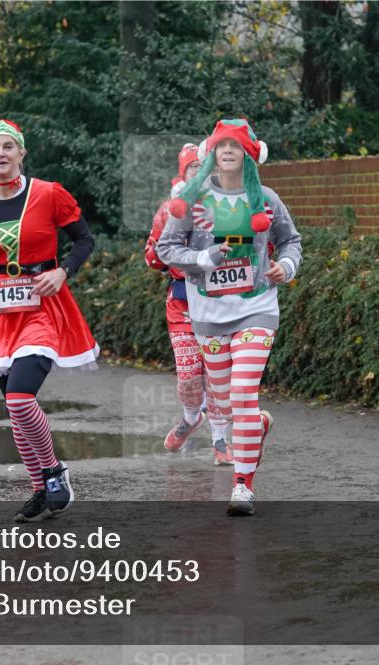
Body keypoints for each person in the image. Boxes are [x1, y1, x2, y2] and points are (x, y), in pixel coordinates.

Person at [156, 119, 302, 516]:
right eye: (221, 146)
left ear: (249, 156)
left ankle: (242, 487)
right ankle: (258, 425)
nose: (228, 151)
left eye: (235, 147)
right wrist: (201, 259)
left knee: (241, 393)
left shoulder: (267, 200)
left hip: (256, 309)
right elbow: (167, 247)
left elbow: (290, 241)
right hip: (208, 314)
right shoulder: (191, 200)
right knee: (224, 400)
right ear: (211, 154)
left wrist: (285, 268)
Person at [0, 119, 99, 523]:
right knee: (15, 407)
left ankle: (54, 471)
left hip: (43, 304)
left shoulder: (49, 193)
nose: (0, 153)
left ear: (21, 153)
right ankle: (41, 488)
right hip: (0, 311)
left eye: (8, 147)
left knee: (20, 397)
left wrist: (63, 271)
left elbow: (84, 240)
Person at [144, 143, 231, 464]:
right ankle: (192, 417)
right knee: (189, 373)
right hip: (181, 302)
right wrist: (163, 253)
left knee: (217, 374)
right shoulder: (170, 209)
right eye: (193, 168)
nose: (200, 173)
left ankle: (221, 441)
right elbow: (151, 256)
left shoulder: (226, 205)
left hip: (219, 301)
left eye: (205, 167)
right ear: (183, 174)